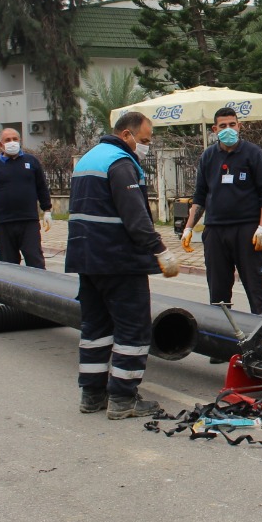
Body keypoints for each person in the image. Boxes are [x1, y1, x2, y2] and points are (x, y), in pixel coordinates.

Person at [65, 112, 179, 419]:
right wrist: (160, 250)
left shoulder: (88, 159)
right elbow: (135, 216)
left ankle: (92, 395)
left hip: (86, 259)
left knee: (96, 328)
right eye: (144, 140)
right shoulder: (120, 163)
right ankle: (123, 398)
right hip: (118, 259)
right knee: (133, 329)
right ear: (126, 135)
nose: (146, 146)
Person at [183, 107, 262, 315]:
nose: (228, 129)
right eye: (223, 126)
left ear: (239, 126)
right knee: (218, 291)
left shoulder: (253, 154)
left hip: (248, 231)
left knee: (256, 287)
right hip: (215, 231)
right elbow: (200, 196)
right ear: (215, 129)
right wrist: (189, 228)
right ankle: (223, 335)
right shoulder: (208, 157)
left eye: (232, 125)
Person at [0, 128, 53, 268]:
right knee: (8, 266)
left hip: (28, 222)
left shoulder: (32, 162)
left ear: (20, 141)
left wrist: (47, 209)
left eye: (15, 139)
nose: (12, 142)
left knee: (35, 261)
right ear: (1, 145)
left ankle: (38, 289)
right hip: (3, 224)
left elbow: (42, 187)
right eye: (7, 140)